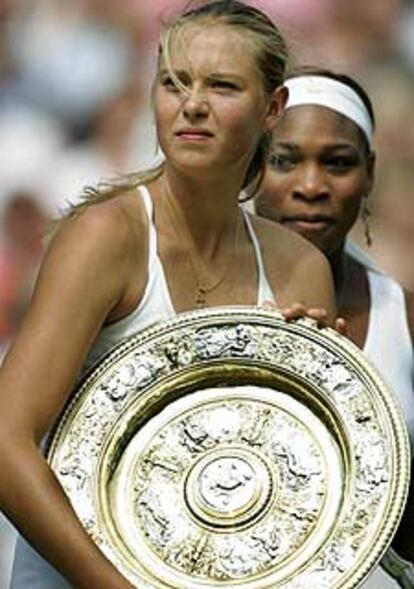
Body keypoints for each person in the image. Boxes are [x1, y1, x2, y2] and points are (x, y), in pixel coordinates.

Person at [0, 4, 338, 589]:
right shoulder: (107, 236)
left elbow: (306, 487)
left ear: (272, 109)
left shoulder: (301, 268)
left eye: (223, 85)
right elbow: (6, 442)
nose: (193, 104)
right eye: (174, 83)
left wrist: (311, 403)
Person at [255, 67, 414, 588]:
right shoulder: (197, 299)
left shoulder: (405, 318)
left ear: (369, 172)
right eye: (285, 160)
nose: (311, 187)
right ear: (251, 167)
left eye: (338, 163)